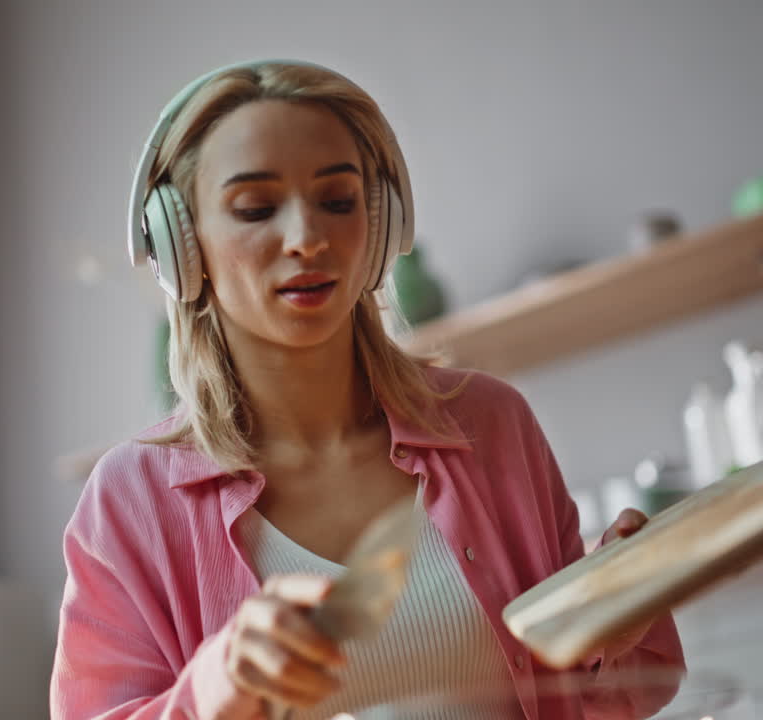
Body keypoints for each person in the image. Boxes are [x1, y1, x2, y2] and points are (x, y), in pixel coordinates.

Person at [50, 59, 684, 720]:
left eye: (338, 201)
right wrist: (215, 690)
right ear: (184, 248)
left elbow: (594, 704)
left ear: (380, 226)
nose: (307, 238)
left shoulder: (495, 425)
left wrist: (608, 625)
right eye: (256, 208)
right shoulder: (130, 500)